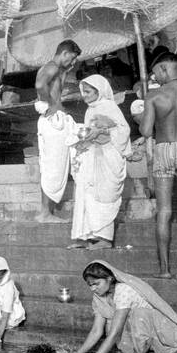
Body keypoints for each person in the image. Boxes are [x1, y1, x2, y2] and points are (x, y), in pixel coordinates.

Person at [71, 260, 177, 353]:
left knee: (138, 314)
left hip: (161, 333)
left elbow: (115, 333)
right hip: (138, 336)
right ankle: (135, 352)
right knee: (112, 322)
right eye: (90, 285)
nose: (93, 289)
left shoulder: (123, 290)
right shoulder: (98, 297)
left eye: (96, 284)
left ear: (109, 278)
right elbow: (96, 331)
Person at [138, 52, 177, 279]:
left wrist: (142, 120)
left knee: (164, 211)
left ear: (164, 69)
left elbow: (147, 132)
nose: (154, 77)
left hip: (163, 149)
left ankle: (165, 270)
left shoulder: (154, 95)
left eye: (155, 73)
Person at [68, 75, 130, 250]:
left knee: (104, 196)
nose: (84, 96)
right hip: (93, 157)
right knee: (87, 194)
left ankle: (105, 239)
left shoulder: (110, 107)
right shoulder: (89, 110)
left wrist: (103, 131)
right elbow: (89, 133)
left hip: (109, 158)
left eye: (88, 92)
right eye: (83, 92)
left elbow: (123, 130)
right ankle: (87, 237)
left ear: (99, 90)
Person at [35, 40, 82, 222]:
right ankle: (45, 213)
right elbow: (40, 86)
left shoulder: (57, 69)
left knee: (53, 166)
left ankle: (47, 211)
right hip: (52, 120)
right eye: (72, 58)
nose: (72, 63)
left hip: (53, 119)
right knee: (52, 168)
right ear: (64, 52)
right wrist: (52, 105)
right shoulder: (52, 66)